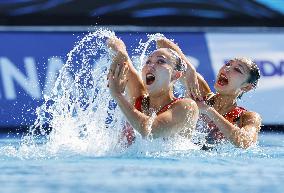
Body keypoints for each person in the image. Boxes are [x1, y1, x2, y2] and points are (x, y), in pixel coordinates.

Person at [157, 38, 262, 149]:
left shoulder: (246, 117)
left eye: (237, 69)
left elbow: (245, 142)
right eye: (228, 64)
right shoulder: (198, 92)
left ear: (246, 87)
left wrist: (208, 111)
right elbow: (161, 43)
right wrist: (189, 69)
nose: (227, 69)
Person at [106, 37, 199, 145]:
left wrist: (118, 95)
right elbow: (111, 41)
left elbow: (150, 131)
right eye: (148, 61)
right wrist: (121, 53)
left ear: (176, 74)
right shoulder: (138, 96)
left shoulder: (187, 107)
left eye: (160, 61)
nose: (151, 65)